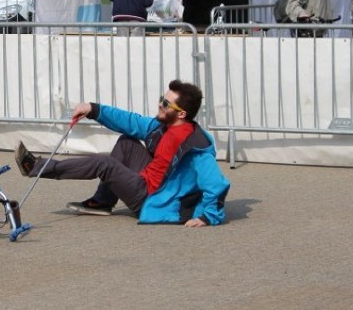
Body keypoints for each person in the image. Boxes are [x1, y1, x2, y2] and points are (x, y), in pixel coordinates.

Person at [15, 80, 229, 227]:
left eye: (166, 103)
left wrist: (208, 217)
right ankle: (103, 201)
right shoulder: (162, 125)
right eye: (161, 99)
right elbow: (131, 121)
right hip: (149, 180)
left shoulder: (194, 144)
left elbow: (216, 184)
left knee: (104, 164)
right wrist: (94, 109)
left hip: (151, 198)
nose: (159, 105)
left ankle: (36, 167)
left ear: (182, 113)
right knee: (127, 142)